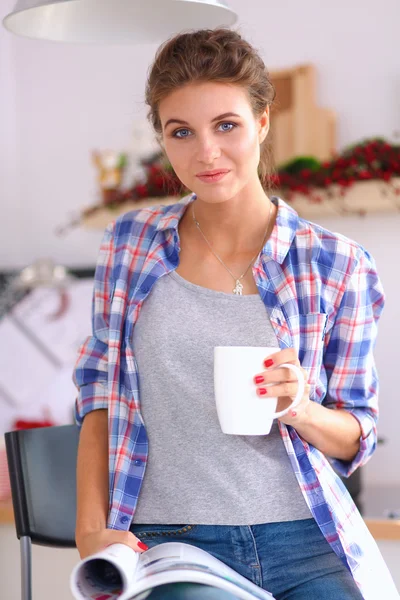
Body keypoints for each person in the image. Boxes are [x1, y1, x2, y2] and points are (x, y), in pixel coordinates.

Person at [73, 29, 399, 600]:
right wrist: (91, 533)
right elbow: (99, 395)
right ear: (162, 139)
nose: (206, 153)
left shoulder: (338, 263)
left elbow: (357, 433)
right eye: (182, 132)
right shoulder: (129, 243)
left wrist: (300, 408)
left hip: (309, 538)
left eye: (227, 125)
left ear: (263, 122)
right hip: (174, 541)